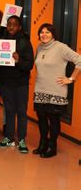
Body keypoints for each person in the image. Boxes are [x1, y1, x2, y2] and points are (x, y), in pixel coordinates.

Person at [33, 23, 81, 158]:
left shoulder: (60, 47)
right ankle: (43, 143)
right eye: (42, 32)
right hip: (40, 89)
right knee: (41, 119)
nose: (44, 34)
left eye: (47, 32)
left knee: (53, 120)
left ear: (53, 34)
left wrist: (71, 79)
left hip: (56, 90)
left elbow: (79, 60)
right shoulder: (39, 47)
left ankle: (52, 146)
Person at [0, 16, 34, 153]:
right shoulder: (1, 41)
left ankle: (22, 139)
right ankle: (9, 138)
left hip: (21, 83)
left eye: (14, 25)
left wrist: (18, 61)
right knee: (9, 111)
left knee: (22, 112)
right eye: (9, 24)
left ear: (20, 27)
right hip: (6, 82)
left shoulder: (25, 42)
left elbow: (29, 64)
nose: (11, 27)